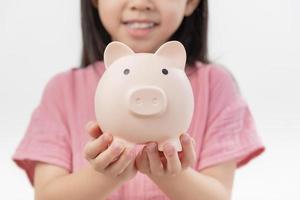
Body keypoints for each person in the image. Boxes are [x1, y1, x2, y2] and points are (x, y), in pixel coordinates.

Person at [12, 0, 265, 199]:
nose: (140, 2)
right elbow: (47, 196)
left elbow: (218, 197)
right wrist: (109, 175)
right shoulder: (62, 91)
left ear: (191, 2)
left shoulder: (215, 86)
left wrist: (169, 175)